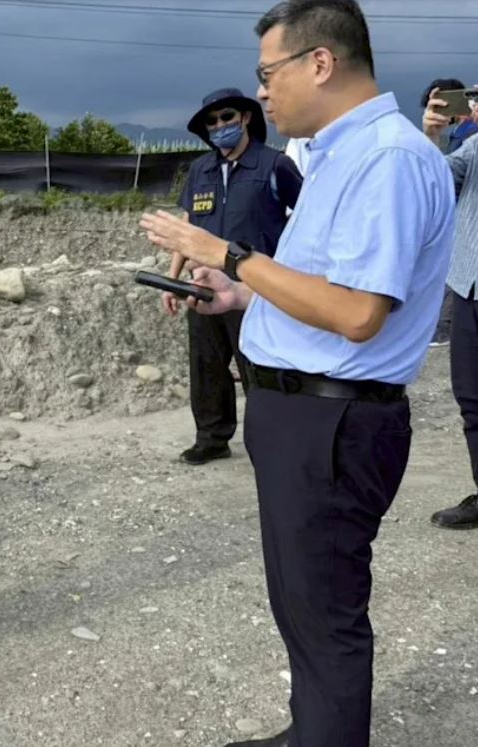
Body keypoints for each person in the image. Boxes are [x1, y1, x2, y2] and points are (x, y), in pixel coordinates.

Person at [140, 2, 454, 745]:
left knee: (325, 616)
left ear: (320, 62)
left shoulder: (387, 158)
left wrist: (227, 254)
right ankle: (308, 729)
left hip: (332, 421)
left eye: (266, 76)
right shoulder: (337, 153)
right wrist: (241, 293)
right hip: (303, 412)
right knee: (303, 606)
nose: (260, 98)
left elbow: (355, 313)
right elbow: (320, 284)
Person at [165, 88, 301, 466]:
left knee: (258, 366)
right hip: (204, 285)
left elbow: (307, 220)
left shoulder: (274, 166)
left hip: (255, 287)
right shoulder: (200, 171)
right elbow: (188, 226)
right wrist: (173, 278)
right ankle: (211, 437)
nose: (219, 125)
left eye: (226, 117)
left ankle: (270, 441)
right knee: (207, 364)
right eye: (212, 121)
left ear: (245, 118)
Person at [423, 84, 478, 528]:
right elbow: (431, 183)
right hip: (468, 287)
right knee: (472, 399)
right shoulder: (473, 149)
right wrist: (432, 137)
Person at [420, 77, 478, 154]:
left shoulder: (470, 131)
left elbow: (448, 165)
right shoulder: (458, 132)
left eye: (438, 106)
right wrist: (431, 137)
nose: (435, 112)